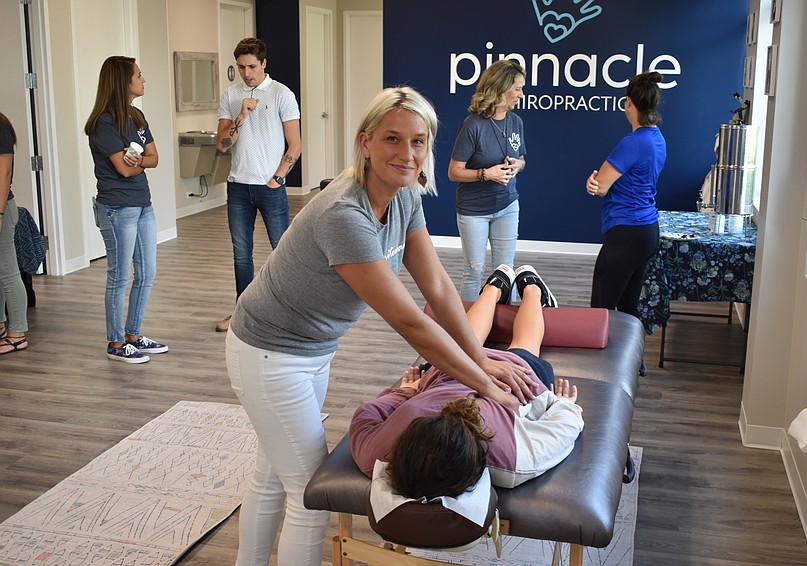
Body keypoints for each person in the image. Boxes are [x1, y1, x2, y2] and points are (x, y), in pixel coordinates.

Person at [225, 86, 539, 566]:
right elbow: (411, 322)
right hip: (270, 353)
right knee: (311, 495)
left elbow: (436, 287)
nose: (407, 153)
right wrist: (485, 384)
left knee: (273, 476)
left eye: (418, 142)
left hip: (312, 350)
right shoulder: (343, 214)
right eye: (393, 139)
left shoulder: (405, 198)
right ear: (365, 142)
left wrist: (480, 359)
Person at [349, 264, 583, 496]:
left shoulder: (512, 460)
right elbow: (365, 415)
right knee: (491, 346)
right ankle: (515, 287)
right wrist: (405, 394)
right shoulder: (508, 459)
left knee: (520, 347)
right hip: (463, 370)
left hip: (490, 376)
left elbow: (564, 427)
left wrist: (404, 393)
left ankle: (519, 288)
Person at [215, 37, 302, 333]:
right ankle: (242, 312)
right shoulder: (230, 96)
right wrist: (241, 114)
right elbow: (223, 145)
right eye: (241, 67)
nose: (247, 73)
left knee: (282, 251)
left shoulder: (282, 94)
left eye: (252, 66)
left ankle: (288, 313)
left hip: (270, 187)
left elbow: (295, 145)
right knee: (242, 253)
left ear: (263, 63)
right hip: (238, 186)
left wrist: (277, 179)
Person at [84, 56, 168, 363]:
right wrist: (136, 164)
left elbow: (154, 157)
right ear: (123, 82)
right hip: (117, 208)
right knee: (120, 276)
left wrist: (139, 161)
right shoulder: (103, 123)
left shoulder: (137, 116)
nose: (143, 80)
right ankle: (116, 342)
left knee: (147, 273)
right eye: (139, 75)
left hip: (143, 205)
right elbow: (123, 170)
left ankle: (134, 335)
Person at [448, 59, 533, 304]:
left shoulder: (515, 121)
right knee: (474, 271)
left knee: (506, 271)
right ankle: (468, 330)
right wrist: (487, 174)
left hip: (507, 206)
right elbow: (454, 172)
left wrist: (518, 165)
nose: (521, 94)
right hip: (474, 211)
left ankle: (506, 330)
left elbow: (522, 159)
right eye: (517, 88)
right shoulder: (472, 125)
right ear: (501, 87)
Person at [586, 71, 666, 321]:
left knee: (601, 309)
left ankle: (601, 360)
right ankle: (635, 361)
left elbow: (600, 187)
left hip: (626, 232)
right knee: (628, 308)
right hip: (647, 230)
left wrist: (593, 182)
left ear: (629, 102)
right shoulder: (658, 138)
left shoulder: (632, 142)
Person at [0, 111, 29, 355]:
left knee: (8, 272)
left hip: (1, 208)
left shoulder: (0, 126)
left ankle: (17, 334)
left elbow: (4, 174)